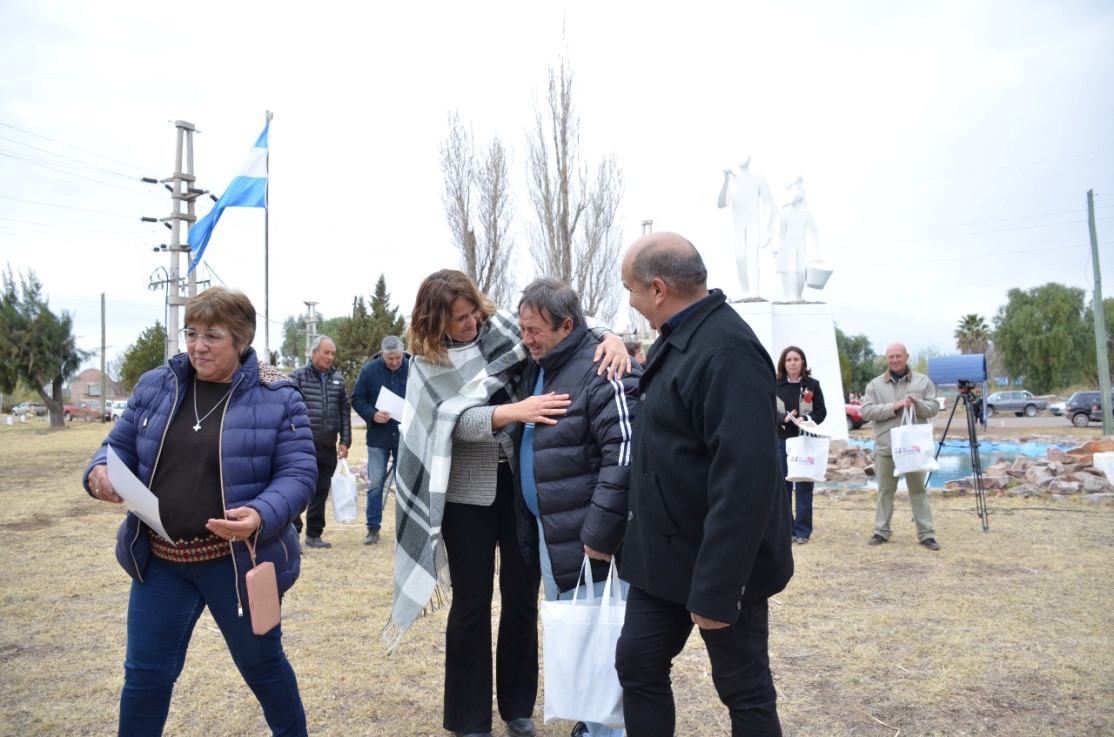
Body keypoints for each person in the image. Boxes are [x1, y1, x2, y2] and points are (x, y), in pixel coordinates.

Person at [384, 269, 628, 737]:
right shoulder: (425, 363)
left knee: (521, 600)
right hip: (464, 499)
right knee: (472, 605)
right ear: (436, 321)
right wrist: (509, 412)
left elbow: (575, 325)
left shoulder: (502, 330)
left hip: (517, 489)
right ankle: (468, 718)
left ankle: (518, 706)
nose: (472, 321)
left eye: (473, 309)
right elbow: (443, 426)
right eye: (459, 318)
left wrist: (613, 337)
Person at [82, 286, 316, 737]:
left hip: (236, 564)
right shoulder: (156, 384)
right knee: (145, 676)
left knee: (263, 668)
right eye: (191, 333)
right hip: (161, 562)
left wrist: (260, 516)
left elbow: (299, 473)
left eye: (213, 336)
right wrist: (98, 472)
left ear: (242, 340)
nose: (197, 346)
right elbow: (117, 446)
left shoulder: (278, 395)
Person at [614, 233, 793, 737]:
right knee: (638, 663)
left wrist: (718, 588)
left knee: (744, 689)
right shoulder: (681, 335)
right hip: (665, 557)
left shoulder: (728, 350)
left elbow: (746, 479)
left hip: (718, 563)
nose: (628, 301)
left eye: (629, 289)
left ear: (658, 288)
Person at [513, 278, 640, 737]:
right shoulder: (543, 361)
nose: (525, 339)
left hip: (589, 540)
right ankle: (593, 724)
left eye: (533, 330)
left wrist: (599, 535)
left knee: (603, 644)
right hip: (556, 533)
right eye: (522, 328)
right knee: (581, 639)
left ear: (567, 325)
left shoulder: (602, 368)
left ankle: (607, 730)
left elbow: (626, 453)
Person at [859, 342, 941, 550]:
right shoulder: (874, 385)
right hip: (886, 447)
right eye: (891, 356)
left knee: (918, 490)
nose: (894, 360)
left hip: (913, 449)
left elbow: (934, 407)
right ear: (886, 359)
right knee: (885, 491)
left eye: (898, 356)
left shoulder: (923, 382)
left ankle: (926, 534)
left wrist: (918, 405)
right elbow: (866, 411)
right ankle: (881, 531)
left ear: (907, 357)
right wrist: (893, 407)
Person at [290, 335, 351, 548]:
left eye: (333, 353)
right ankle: (292, 535)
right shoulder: (297, 377)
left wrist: (346, 440)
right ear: (313, 352)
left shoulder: (339, 380)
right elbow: (287, 411)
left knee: (320, 491)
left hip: (328, 446)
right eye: (326, 352)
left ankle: (314, 535)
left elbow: (345, 413)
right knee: (298, 491)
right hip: (302, 445)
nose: (330, 357)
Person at [351, 335, 409, 545]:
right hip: (378, 437)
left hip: (406, 437)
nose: (394, 362)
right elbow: (357, 398)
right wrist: (372, 414)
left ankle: (406, 530)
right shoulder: (369, 371)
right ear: (382, 354)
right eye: (389, 358)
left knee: (407, 485)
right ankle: (373, 528)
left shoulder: (414, 369)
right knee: (375, 484)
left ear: (403, 353)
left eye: (397, 358)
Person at [775, 345, 827, 544]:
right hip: (782, 442)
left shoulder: (812, 385)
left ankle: (803, 531)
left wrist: (805, 418)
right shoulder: (776, 385)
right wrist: (784, 419)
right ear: (784, 363)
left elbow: (821, 412)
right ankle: (787, 529)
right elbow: (768, 411)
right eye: (788, 360)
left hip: (806, 442)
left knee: (804, 486)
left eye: (796, 359)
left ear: (802, 362)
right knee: (784, 487)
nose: (792, 363)